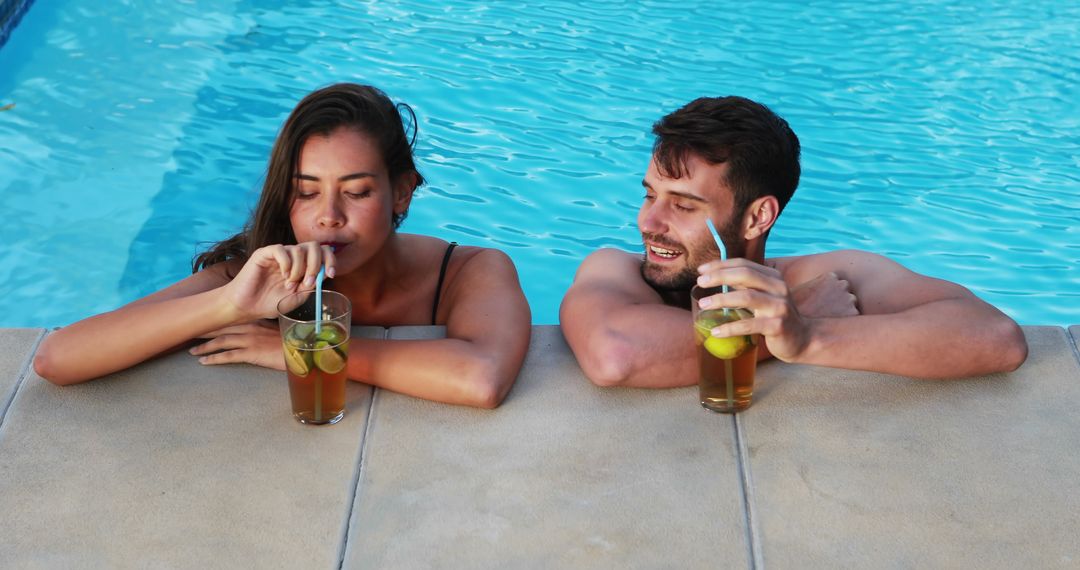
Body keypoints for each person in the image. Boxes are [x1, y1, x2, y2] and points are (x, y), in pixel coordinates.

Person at [34, 83, 531, 408]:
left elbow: (480, 380)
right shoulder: (255, 274)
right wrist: (229, 304)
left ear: (401, 190)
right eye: (305, 191)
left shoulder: (469, 273)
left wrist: (302, 350)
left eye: (356, 192)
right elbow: (57, 358)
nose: (327, 216)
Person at [560, 96, 1027, 387]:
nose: (649, 221)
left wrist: (809, 336)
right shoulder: (616, 270)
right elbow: (616, 355)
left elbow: (997, 338)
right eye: (650, 195)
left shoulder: (835, 274)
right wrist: (788, 326)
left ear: (758, 216)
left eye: (683, 205)